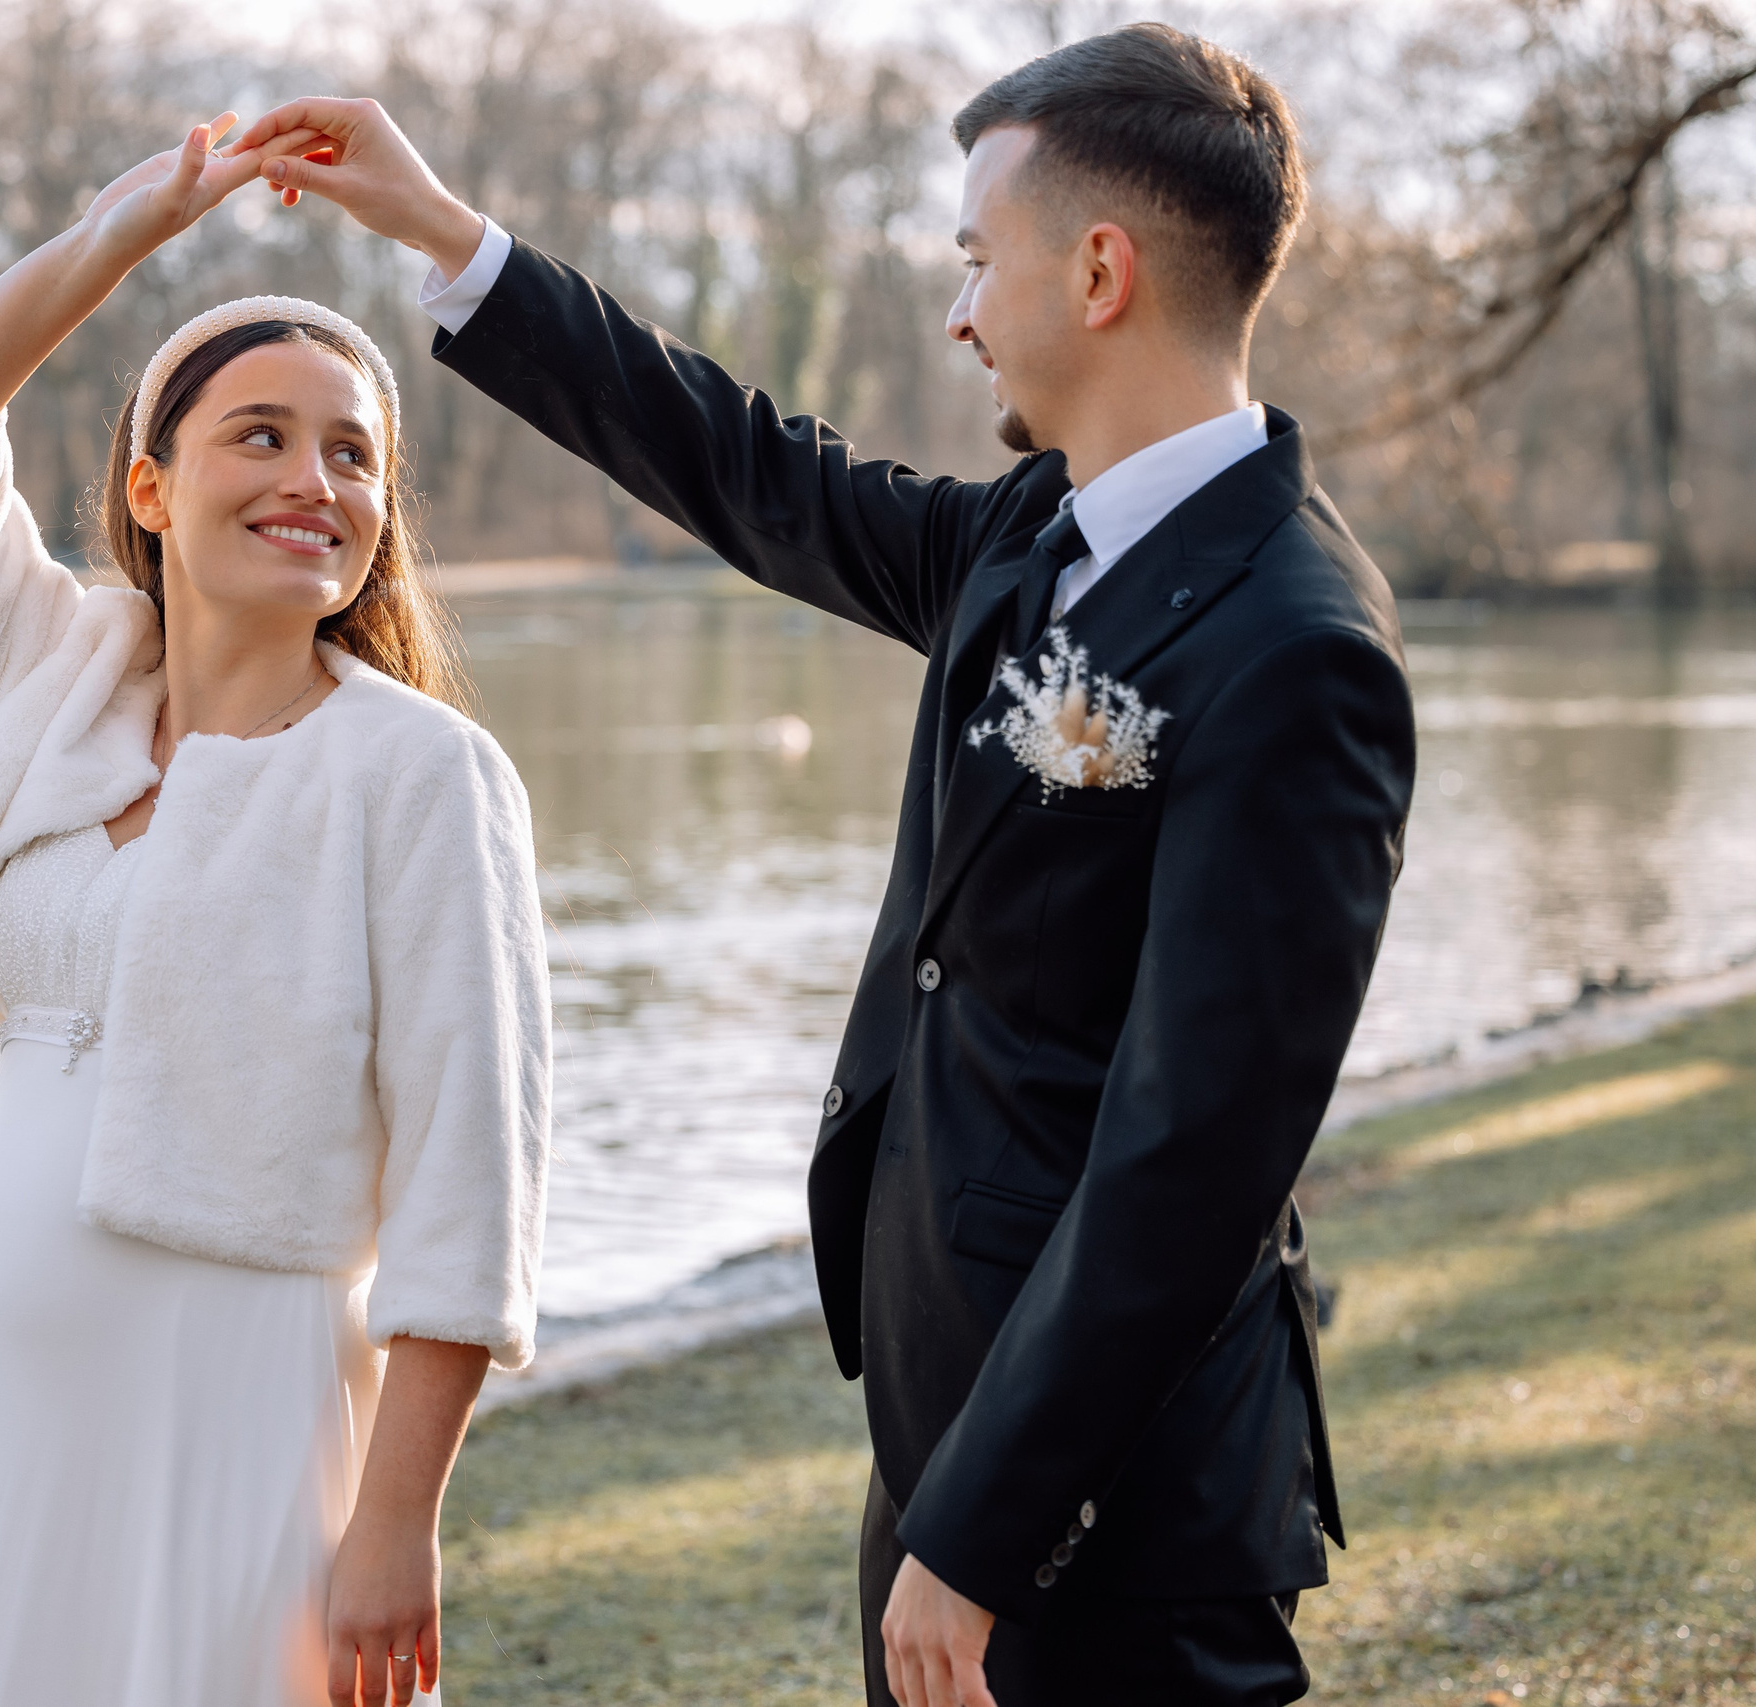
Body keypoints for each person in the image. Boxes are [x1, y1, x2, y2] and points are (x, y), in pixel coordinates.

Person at [230, 23, 1415, 1707]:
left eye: (973, 258)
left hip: (1118, 1495)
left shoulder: (1298, 650)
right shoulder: (1031, 536)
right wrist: (446, 238)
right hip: (947, 1411)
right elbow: (749, 467)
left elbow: (1193, 1161)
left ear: (1099, 271)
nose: (957, 310)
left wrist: (987, 1531)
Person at [0, 113, 551, 1707]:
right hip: (15, 1397)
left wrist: (395, 1523)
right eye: (261, 437)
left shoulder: (422, 774)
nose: (315, 481)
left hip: (246, 1395)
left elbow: (466, 1185)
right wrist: (113, 245)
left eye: (355, 452)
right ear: (151, 486)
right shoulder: (59, 682)